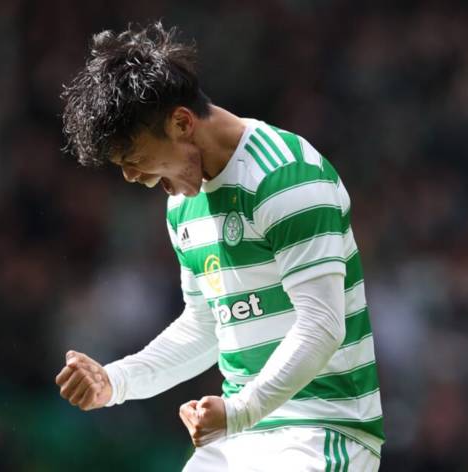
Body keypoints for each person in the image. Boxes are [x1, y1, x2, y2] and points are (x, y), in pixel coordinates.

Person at [55, 22, 384, 471]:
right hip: (237, 438)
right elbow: (207, 327)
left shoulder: (284, 176)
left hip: (320, 430)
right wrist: (115, 381)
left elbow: (322, 324)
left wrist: (239, 411)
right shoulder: (182, 206)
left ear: (181, 123)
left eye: (135, 159)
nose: (133, 178)